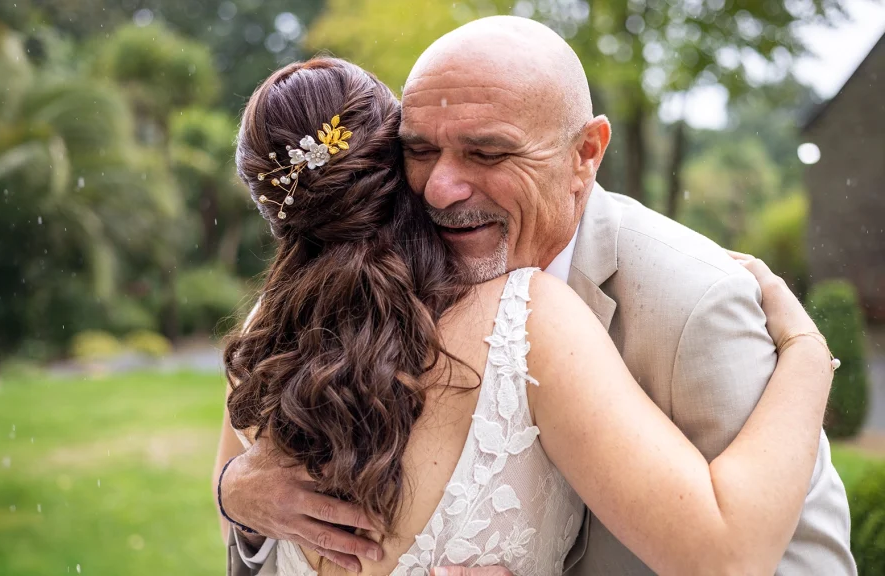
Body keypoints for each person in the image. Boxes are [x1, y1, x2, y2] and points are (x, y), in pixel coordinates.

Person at [217, 16, 855, 576]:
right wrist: (238, 499)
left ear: (586, 154)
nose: (441, 189)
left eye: (487, 152)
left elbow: (791, 566)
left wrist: (803, 356)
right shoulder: (294, 321)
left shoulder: (695, 301)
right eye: (418, 150)